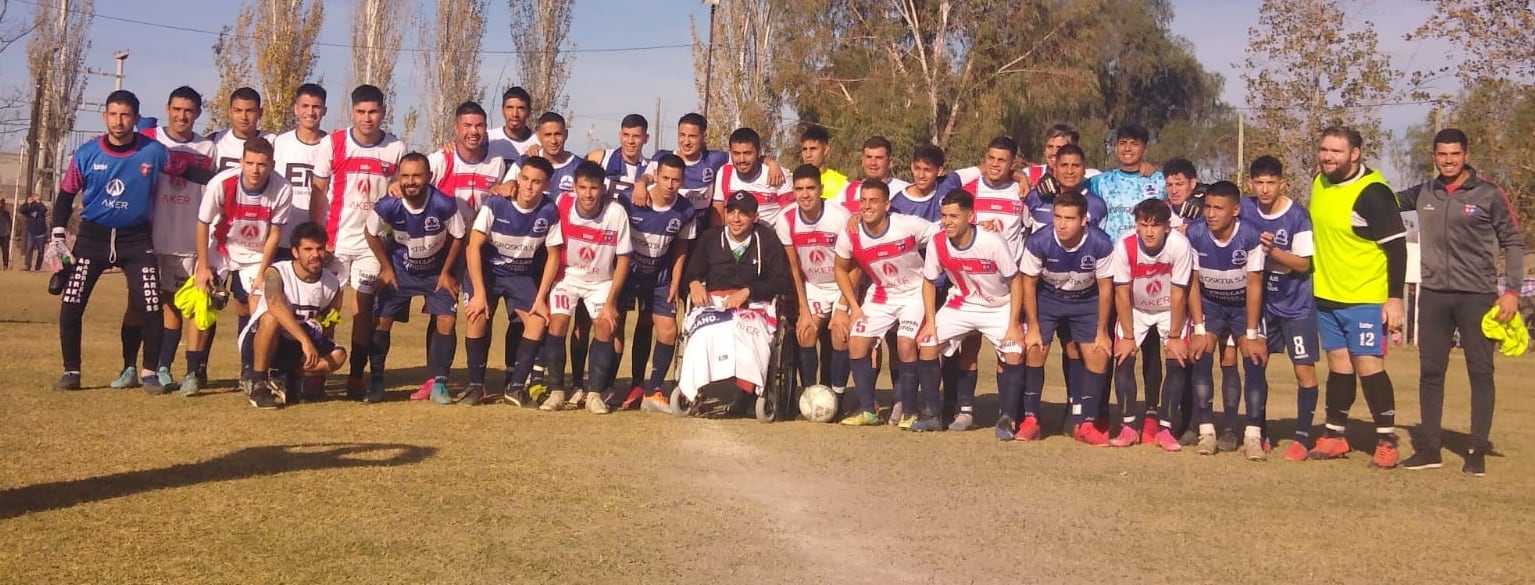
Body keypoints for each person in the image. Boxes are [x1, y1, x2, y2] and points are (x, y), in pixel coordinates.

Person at [51, 90, 204, 392]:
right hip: (93, 237)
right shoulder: (86, 153)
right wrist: (57, 232)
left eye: (125, 115)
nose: (118, 121)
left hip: (136, 239)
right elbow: (67, 194)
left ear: (135, 119)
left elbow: (187, 171)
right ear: (105, 116)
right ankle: (71, 371)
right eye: (113, 114)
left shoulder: (153, 151)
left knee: (150, 303)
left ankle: (148, 372)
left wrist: (232, 177)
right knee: (71, 303)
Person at [1396, 128, 1523, 477]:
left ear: (1466, 155)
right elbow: (1381, 199)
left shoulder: (1488, 194)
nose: (1448, 160)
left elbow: (1513, 241)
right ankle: (1430, 448)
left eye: (1454, 154)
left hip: (1477, 296)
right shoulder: (1424, 192)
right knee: (1431, 373)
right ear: (1433, 155)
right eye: (1442, 154)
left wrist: (1511, 291)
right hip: (1434, 295)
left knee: (1480, 372)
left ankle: (1476, 449)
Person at [1304, 126, 1408, 470]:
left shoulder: (1374, 193)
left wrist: (1394, 299)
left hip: (1364, 297)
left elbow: (1396, 249)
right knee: (1339, 366)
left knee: (1368, 366)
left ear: (1355, 153)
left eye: (1336, 151)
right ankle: (1335, 435)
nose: (1327, 156)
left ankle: (1386, 440)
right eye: (1324, 149)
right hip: (1327, 296)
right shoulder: (1320, 182)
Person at [311, 84, 407, 401]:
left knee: (363, 311)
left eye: (374, 112)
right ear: (352, 112)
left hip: (371, 245)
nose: (367, 118)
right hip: (335, 243)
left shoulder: (395, 148)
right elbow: (319, 193)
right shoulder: (333, 143)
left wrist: (396, 186)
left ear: (383, 112)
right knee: (327, 308)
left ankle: (356, 376)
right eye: (361, 112)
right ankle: (318, 374)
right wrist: (318, 239)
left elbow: (400, 187)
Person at [187, 136, 293, 397]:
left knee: (260, 309)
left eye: (262, 164)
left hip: (256, 255)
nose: (255, 170)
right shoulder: (221, 183)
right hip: (220, 250)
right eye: (250, 163)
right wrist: (202, 266)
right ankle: (193, 371)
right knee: (202, 301)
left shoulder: (282, 188)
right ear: (241, 161)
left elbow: (274, 236)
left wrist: (262, 273)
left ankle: (251, 371)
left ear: (272, 165)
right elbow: (202, 224)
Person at [131, 86, 217, 394]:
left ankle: (165, 366)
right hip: (149, 236)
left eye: (189, 110)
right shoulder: (150, 139)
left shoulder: (207, 147)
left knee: (179, 304)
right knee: (145, 304)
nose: (182, 115)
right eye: (177, 109)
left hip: (186, 240)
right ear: (168, 108)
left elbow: (211, 194)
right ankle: (134, 366)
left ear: (197, 113)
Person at [364, 153, 467, 405]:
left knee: (446, 319)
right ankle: (376, 381)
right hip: (400, 270)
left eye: (417, 176)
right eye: (406, 175)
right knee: (381, 320)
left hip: (435, 273)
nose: (411, 181)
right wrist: (386, 268)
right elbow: (370, 232)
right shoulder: (389, 205)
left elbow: (459, 236)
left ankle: (440, 383)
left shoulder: (443, 203)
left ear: (429, 177)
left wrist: (445, 272)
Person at [919, 189, 1025, 434]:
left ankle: (1007, 418)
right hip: (962, 303)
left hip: (999, 306)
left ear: (971, 216)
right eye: (944, 215)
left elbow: (1016, 281)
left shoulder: (992, 242)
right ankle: (933, 413)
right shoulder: (937, 241)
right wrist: (930, 322)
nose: (947, 221)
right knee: (927, 344)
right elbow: (929, 281)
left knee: (1014, 352)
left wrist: (1012, 325)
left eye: (954, 216)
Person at [833, 179, 937, 427]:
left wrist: (979, 225)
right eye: (863, 201)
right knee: (856, 342)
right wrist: (853, 307)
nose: (867, 206)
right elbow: (839, 269)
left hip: (914, 293)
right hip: (882, 293)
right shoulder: (852, 233)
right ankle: (868, 410)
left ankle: (910, 411)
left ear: (887, 204)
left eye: (874, 201)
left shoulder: (907, 225)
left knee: (904, 345)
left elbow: (942, 232)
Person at [677, 190, 793, 410]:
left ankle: (748, 390)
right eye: (731, 212)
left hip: (755, 304)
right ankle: (691, 388)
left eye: (743, 213)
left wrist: (749, 291)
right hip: (714, 303)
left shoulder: (767, 240)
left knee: (749, 334)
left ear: (755, 217)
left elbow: (780, 281)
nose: (736, 219)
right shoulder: (711, 238)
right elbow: (691, 273)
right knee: (703, 334)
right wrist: (693, 284)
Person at [1241, 155, 1322, 462]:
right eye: (1259, 183)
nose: (1264, 189)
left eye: (1270, 183)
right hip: (1263, 306)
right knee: (1255, 365)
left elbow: (1303, 264)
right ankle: (1257, 431)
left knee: (1303, 371)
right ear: (1250, 184)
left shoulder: (1298, 216)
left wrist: (1272, 250)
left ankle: (1302, 437)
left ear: (1281, 184)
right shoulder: (1245, 208)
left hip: (1296, 306)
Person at [462, 156, 559, 407]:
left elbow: (553, 256)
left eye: (537, 182)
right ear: (517, 178)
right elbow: (473, 247)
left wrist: (540, 298)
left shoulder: (549, 211)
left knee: (538, 320)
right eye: (525, 179)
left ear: (547, 185)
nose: (528, 186)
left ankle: (515, 388)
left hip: (520, 274)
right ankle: (476, 386)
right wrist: (480, 293)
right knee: (477, 315)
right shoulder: (496, 204)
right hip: (487, 271)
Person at [536, 161, 632, 413]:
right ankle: (556, 390)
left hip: (601, 282)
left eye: (594, 188)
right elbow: (553, 251)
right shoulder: (563, 204)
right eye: (583, 187)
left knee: (605, 325)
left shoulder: (616, 213)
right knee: (557, 323)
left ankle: (594, 393)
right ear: (575, 187)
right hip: (567, 278)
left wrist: (611, 302)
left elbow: (623, 259)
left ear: (603, 189)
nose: (588, 194)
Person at [1020, 192, 1115, 445]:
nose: (1062, 224)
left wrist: (1102, 330)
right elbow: (1028, 284)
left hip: (1086, 301)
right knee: (1034, 348)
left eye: (1070, 218)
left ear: (1084, 219)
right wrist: (1033, 327)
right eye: (1058, 217)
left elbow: (1106, 288)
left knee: (1098, 353)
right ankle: (1031, 420)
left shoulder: (1101, 243)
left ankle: (1087, 423)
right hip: (1048, 299)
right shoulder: (1039, 241)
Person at [1185, 181, 1266, 458]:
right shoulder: (1195, 234)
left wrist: (1253, 333)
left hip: (1243, 306)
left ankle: (1253, 435)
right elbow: (1192, 282)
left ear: (1235, 210)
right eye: (1207, 206)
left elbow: (1255, 284)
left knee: (1254, 359)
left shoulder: (1250, 236)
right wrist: (1197, 327)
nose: (1211, 213)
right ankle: (1206, 431)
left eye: (1218, 208)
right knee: (1200, 354)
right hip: (1211, 304)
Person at [614, 154, 697, 412]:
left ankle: (652, 390)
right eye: (666, 178)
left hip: (660, 277)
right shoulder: (630, 200)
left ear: (682, 181)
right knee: (616, 327)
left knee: (668, 330)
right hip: (628, 273)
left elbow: (681, 246)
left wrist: (675, 280)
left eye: (676, 180)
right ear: (656, 176)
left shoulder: (685, 210)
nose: (670, 184)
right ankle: (612, 386)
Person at [1108, 198, 1193, 451]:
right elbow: (1121, 292)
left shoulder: (1180, 245)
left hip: (1169, 309)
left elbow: (1180, 292)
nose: (1149, 231)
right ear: (1136, 225)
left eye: (1155, 226)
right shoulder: (1124, 245)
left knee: (1176, 361)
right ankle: (1128, 426)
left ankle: (1165, 429)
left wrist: (1175, 336)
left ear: (1167, 227)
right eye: (1143, 225)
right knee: (1123, 359)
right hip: (1136, 308)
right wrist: (1128, 336)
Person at [239, 221, 347, 409]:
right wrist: (305, 341)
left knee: (338, 355)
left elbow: (327, 326)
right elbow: (275, 305)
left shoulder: (332, 284)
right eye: (308, 249)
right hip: (261, 339)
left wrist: (318, 360)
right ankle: (258, 384)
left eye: (320, 249)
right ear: (295, 252)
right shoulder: (276, 272)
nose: (315, 255)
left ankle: (290, 376)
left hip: (296, 346)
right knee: (271, 318)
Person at [776, 165, 854, 400]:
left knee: (840, 335)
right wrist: (804, 309)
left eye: (811, 188)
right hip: (814, 287)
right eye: (799, 189)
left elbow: (855, 265)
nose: (805, 194)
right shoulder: (786, 219)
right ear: (793, 191)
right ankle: (812, 396)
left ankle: (837, 398)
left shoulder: (840, 216)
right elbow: (793, 267)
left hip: (843, 285)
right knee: (806, 332)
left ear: (821, 189)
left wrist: (842, 307)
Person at [273, 83, 331, 262]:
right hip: (282, 236)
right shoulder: (279, 143)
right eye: (305, 106)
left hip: (315, 240)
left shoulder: (332, 145)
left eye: (316, 107)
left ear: (324, 110)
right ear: (296, 109)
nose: (310, 112)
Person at [1088, 124, 1166, 239]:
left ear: (1145, 150)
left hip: (1147, 253)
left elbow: (1189, 189)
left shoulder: (1159, 180)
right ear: (1115, 148)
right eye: (1123, 143)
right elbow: (1069, 188)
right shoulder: (1099, 182)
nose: (1127, 149)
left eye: (1134, 144)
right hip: (1112, 253)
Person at [711, 127, 790, 227]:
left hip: (770, 239)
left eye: (747, 153)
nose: (741, 159)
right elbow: (718, 213)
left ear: (759, 153)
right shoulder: (724, 172)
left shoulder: (778, 173)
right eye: (736, 154)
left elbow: (789, 215)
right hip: (734, 239)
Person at [835, 136, 912, 213]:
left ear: (890, 162)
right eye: (869, 157)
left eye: (879, 158)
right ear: (862, 161)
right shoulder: (849, 191)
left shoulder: (905, 192)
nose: (873, 163)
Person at [211, 87, 276, 171]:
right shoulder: (215, 140)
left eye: (250, 111)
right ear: (229, 112)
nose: (244, 117)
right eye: (238, 110)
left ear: (260, 113)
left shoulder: (273, 142)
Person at [587, 114, 650, 200]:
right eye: (626, 135)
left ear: (646, 138)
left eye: (636, 136)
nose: (630, 141)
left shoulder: (649, 169)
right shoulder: (600, 158)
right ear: (620, 135)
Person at [487, 86, 538, 161]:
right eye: (510, 108)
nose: (515, 114)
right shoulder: (489, 139)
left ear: (529, 112)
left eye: (521, 108)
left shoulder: (538, 142)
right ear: (502, 110)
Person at [801, 125, 848, 200]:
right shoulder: (794, 180)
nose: (808, 155)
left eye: (813, 149)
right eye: (804, 149)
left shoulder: (841, 184)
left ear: (826, 150)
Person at [20, 194, 49, 271]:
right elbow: (22, 210)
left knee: (41, 251)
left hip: (41, 233)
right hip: (31, 232)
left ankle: (38, 267)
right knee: (29, 249)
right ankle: (27, 265)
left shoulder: (41, 207)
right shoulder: (29, 207)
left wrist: (39, 202)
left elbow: (44, 209)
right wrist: (28, 203)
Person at [0, 200, 10, 269]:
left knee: (5, 251)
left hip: (5, 234)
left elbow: (10, 222)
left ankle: (5, 265)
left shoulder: (6, 213)